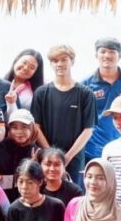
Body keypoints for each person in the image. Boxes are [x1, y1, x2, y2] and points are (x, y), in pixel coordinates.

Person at [31, 45, 96, 183]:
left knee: (74, 194)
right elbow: (36, 127)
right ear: (50, 64)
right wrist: (51, 155)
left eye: (64, 59)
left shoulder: (85, 93)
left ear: (72, 61)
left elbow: (88, 129)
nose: (59, 64)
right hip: (47, 160)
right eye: (55, 61)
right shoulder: (41, 93)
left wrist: (67, 158)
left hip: (74, 160)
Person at [82, 37, 121, 162]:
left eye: (112, 51)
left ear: (119, 56)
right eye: (103, 51)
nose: (107, 55)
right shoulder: (85, 85)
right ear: (96, 55)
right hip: (92, 151)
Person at [0, 109, 40, 200]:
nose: (19, 132)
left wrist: (34, 168)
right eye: (15, 128)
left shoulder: (36, 151)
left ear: (32, 128)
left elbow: (41, 182)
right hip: (1, 198)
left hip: (26, 200)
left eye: (24, 127)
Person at [3, 49, 44, 115]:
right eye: (24, 62)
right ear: (17, 60)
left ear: (36, 72)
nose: (26, 68)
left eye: (32, 67)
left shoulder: (34, 93)